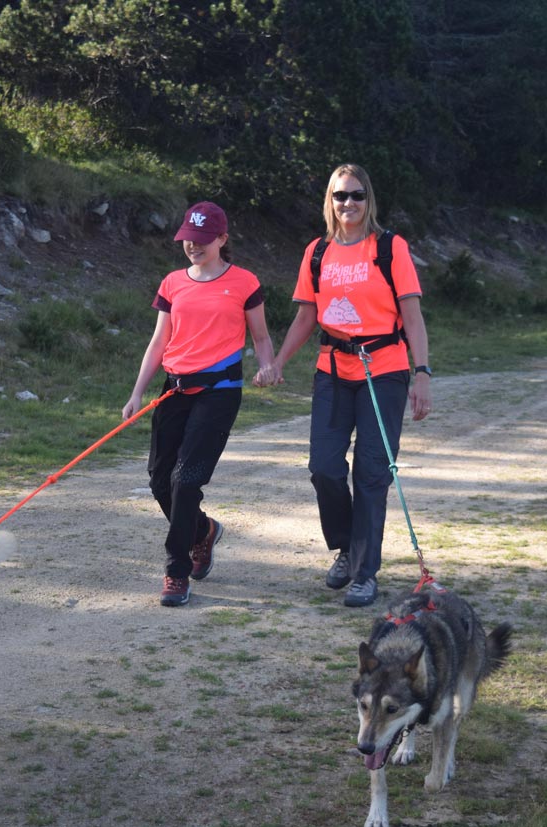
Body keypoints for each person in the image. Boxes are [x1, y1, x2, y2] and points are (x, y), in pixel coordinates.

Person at [256, 164, 432, 607]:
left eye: (355, 195)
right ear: (329, 201)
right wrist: (277, 362)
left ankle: (364, 574)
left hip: (385, 371)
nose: (347, 204)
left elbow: (412, 317)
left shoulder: (390, 248)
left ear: (368, 199)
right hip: (333, 371)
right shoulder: (317, 252)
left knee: (371, 474)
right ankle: (345, 548)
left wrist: (422, 374)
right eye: (339, 196)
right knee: (324, 468)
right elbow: (306, 316)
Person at [124, 201, 277, 607]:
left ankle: (176, 572)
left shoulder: (245, 282)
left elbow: (260, 337)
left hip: (219, 392)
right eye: (188, 239)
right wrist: (138, 392)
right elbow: (159, 341)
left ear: (222, 239)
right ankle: (203, 532)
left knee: (186, 479)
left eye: (203, 239)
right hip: (173, 390)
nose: (193, 246)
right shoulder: (173, 282)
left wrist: (267, 366)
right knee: (160, 480)